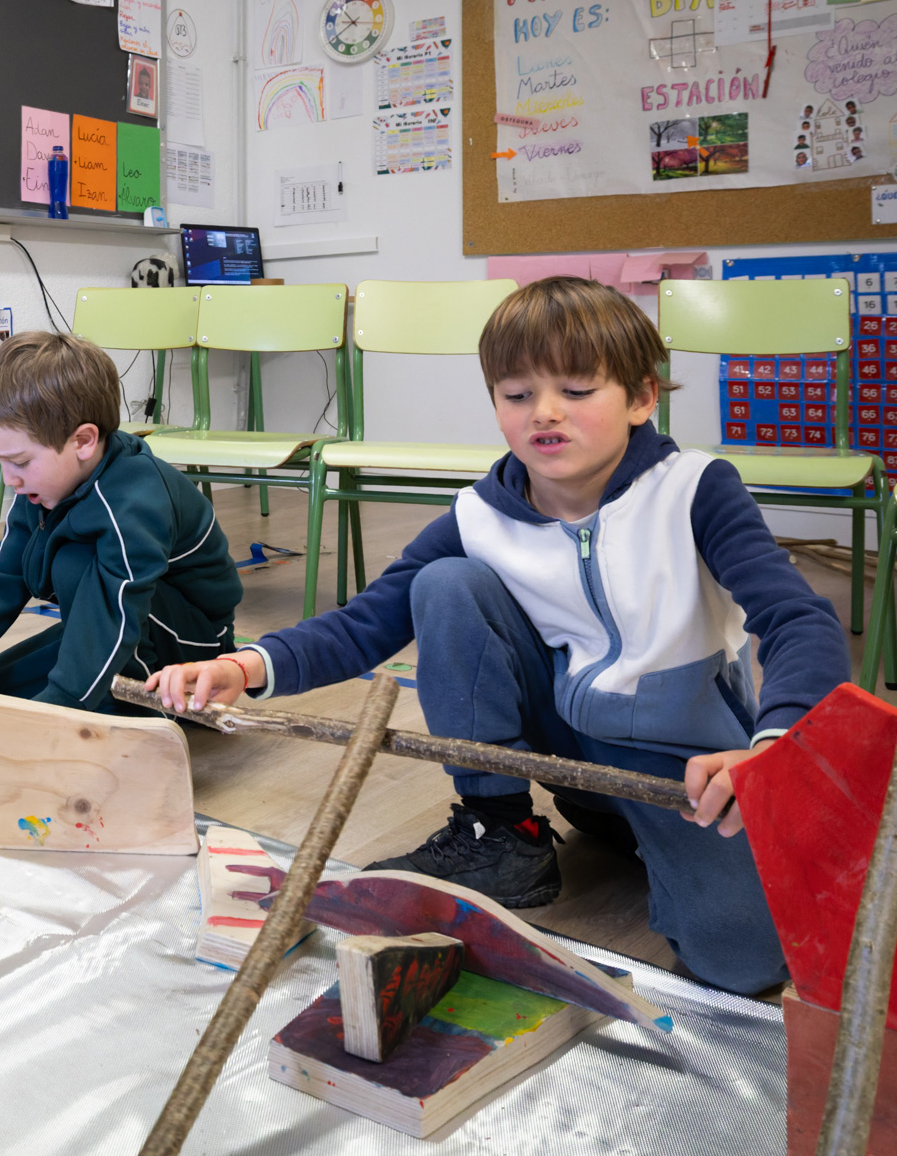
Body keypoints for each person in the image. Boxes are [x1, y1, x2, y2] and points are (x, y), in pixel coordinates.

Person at [146, 277, 850, 994]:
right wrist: (246, 665)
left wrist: (774, 746)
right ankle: (502, 832)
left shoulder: (695, 489)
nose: (544, 412)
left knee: (743, 960)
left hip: (685, 766)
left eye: (577, 390)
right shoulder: (479, 513)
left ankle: (640, 833)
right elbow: (369, 619)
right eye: (517, 394)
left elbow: (798, 620)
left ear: (641, 398)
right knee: (444, 584)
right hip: (568, 741)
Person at [0, 332, 243, 710]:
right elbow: (4, 572)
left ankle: (145, 709)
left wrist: (56, 711)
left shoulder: (136, 500)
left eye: (20, 462)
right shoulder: (42, 487)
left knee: (75, 563)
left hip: (187, 649)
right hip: (119, 625)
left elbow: (115, 612)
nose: (9, 478)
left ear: (84, 441)